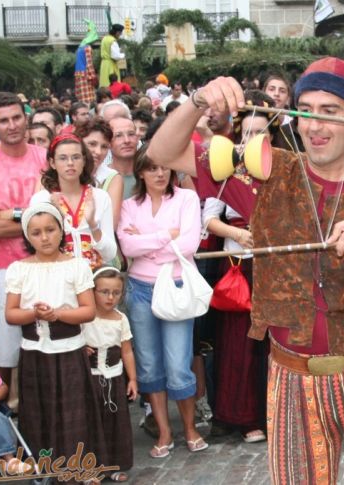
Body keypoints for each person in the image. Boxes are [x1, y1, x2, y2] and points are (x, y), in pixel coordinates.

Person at [148, 57, 344, 484]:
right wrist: (198, 100)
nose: (314, 125)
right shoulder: (266, 172)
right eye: (305, 110)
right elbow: (163, 152)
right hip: (291, 375)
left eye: (329, 112)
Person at [117, 144, 207, 457]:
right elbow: (127, 246)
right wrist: (163, 236)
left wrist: (147, 243)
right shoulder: (130, 205)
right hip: (140, 289)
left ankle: (191, 428)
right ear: (140, 171)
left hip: (177, 285)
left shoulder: (186, 198)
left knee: (179, 363)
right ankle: (164, 431)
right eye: (152, 168)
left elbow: (190, 242)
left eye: (164, 167)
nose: (159, 173)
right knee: (150, 364)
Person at [202, 91, 281, 444]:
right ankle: (243, 415)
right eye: (246, 133)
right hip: (237, 268)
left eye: (259, 133)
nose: (251, 140)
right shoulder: (224, 172)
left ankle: (275, 413)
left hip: (275, 269)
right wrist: (238, 232)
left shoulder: (282, 172)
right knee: (238, 345)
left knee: (272, 345)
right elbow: (209, 220)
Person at [4, 203, 106, 474]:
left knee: (72, 411)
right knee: (40, 412)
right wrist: (33, 313)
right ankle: (44, 469)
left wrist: (57, 314)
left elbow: (88, 310)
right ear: (27, 236)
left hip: (69, 351)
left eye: (50, 230)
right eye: (36, 233)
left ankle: (76, 469)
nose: (45, 237)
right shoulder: (19, 269)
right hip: (34, 353)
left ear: (62, 231)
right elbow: (11, 314)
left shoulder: (76, 266)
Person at [0, 92, 47, 389]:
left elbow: (59, 216)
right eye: (3, 120)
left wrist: (12, 215)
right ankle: (5, 427)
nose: (12, 125)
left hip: (48, 266)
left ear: (26, 117)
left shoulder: (45, 158)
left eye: (17, 117)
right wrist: (37, 220)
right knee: (4, 356)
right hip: (4, 271)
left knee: (48, 352)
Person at [30, 134, 117, 269]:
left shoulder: (100, 197)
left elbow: (110, 254)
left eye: (76, 157)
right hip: (57, 279)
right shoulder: (42, 199)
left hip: (93, 281)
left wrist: (93, 226)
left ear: (83, 160)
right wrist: (56, 218)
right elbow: (36, 247)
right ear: (52, 163)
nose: (70, 163)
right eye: (63, 158)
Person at [82, 267, 136, 481]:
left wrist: (132, 379)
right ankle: (91, 468)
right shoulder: (84, 317)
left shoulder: (121, 319)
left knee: (115, 423)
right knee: (91, 423)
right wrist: (80, 348)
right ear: (92, 291)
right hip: (90, 379)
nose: (110, 297)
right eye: (104, 292)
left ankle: (114, 465)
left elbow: (127, 351)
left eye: (116, 292)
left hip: (114, 378)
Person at [76, 119, 124, 226]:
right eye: (92, 144)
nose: (98, 152)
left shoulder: (112, 178)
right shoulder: (62, 173)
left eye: (104, 147)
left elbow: (111, 225)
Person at [75, 20, 99, 105]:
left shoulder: (79, 48)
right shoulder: (87, 48)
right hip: (85, 74)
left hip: (78, 74)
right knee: (88, 98)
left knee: (81, 97)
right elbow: (89, 63)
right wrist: (93, 76)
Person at [99, 24, 125, 88]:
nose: (120, 35)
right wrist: (123, 55)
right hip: (111, 64)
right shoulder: (113, 41)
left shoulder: (105, 38)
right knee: (112, 84)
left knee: (104, 82)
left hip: (104, 64)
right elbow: (115, 56)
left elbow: (108, 50)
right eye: (120, 33)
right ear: (117, 32)